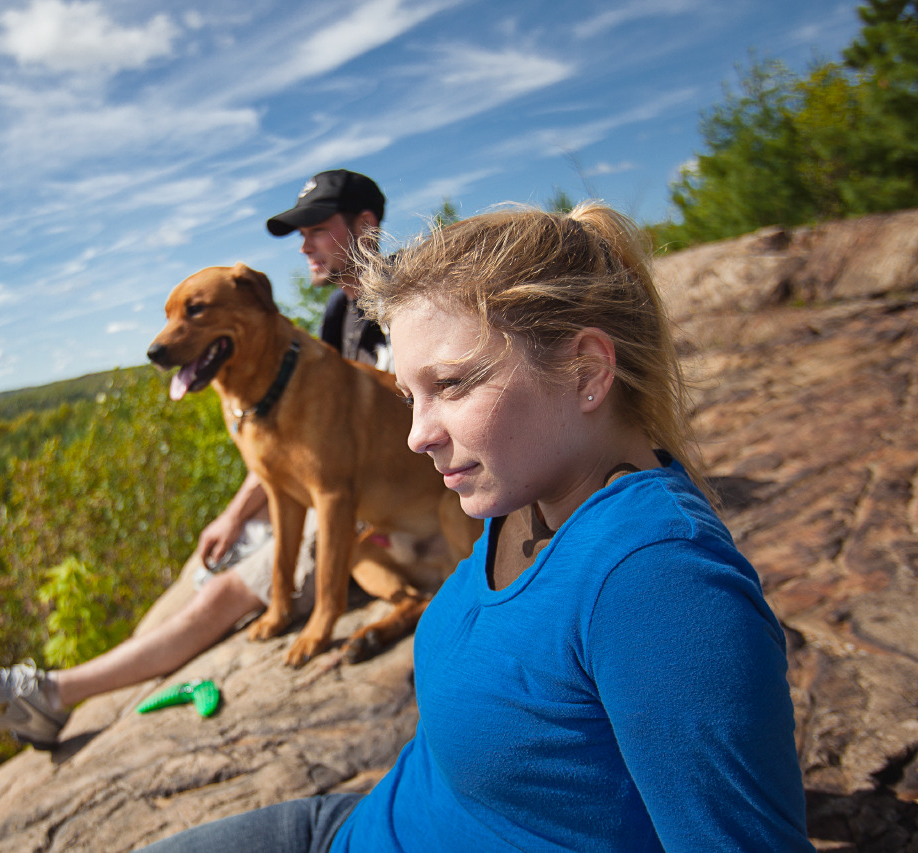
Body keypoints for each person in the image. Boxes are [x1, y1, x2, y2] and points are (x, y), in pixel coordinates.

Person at [134, 202, 814, 851]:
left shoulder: (656, 582)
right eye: (410, 396)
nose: (416, 437)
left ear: (586, 371)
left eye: (453, 384)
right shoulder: (528, 490)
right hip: (359, 821)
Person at [0, 170, 392, 748]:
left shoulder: (407, 308)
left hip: (382, 507)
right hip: (332, 488)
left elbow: (388, 442)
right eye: (299, 232)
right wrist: (236, 514)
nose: (303, 244)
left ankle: (53, 693)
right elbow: (312, 445)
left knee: (227, 591)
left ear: (366, 226)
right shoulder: (338, 314)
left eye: (318, 229)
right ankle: (116, 682)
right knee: (203, 566)